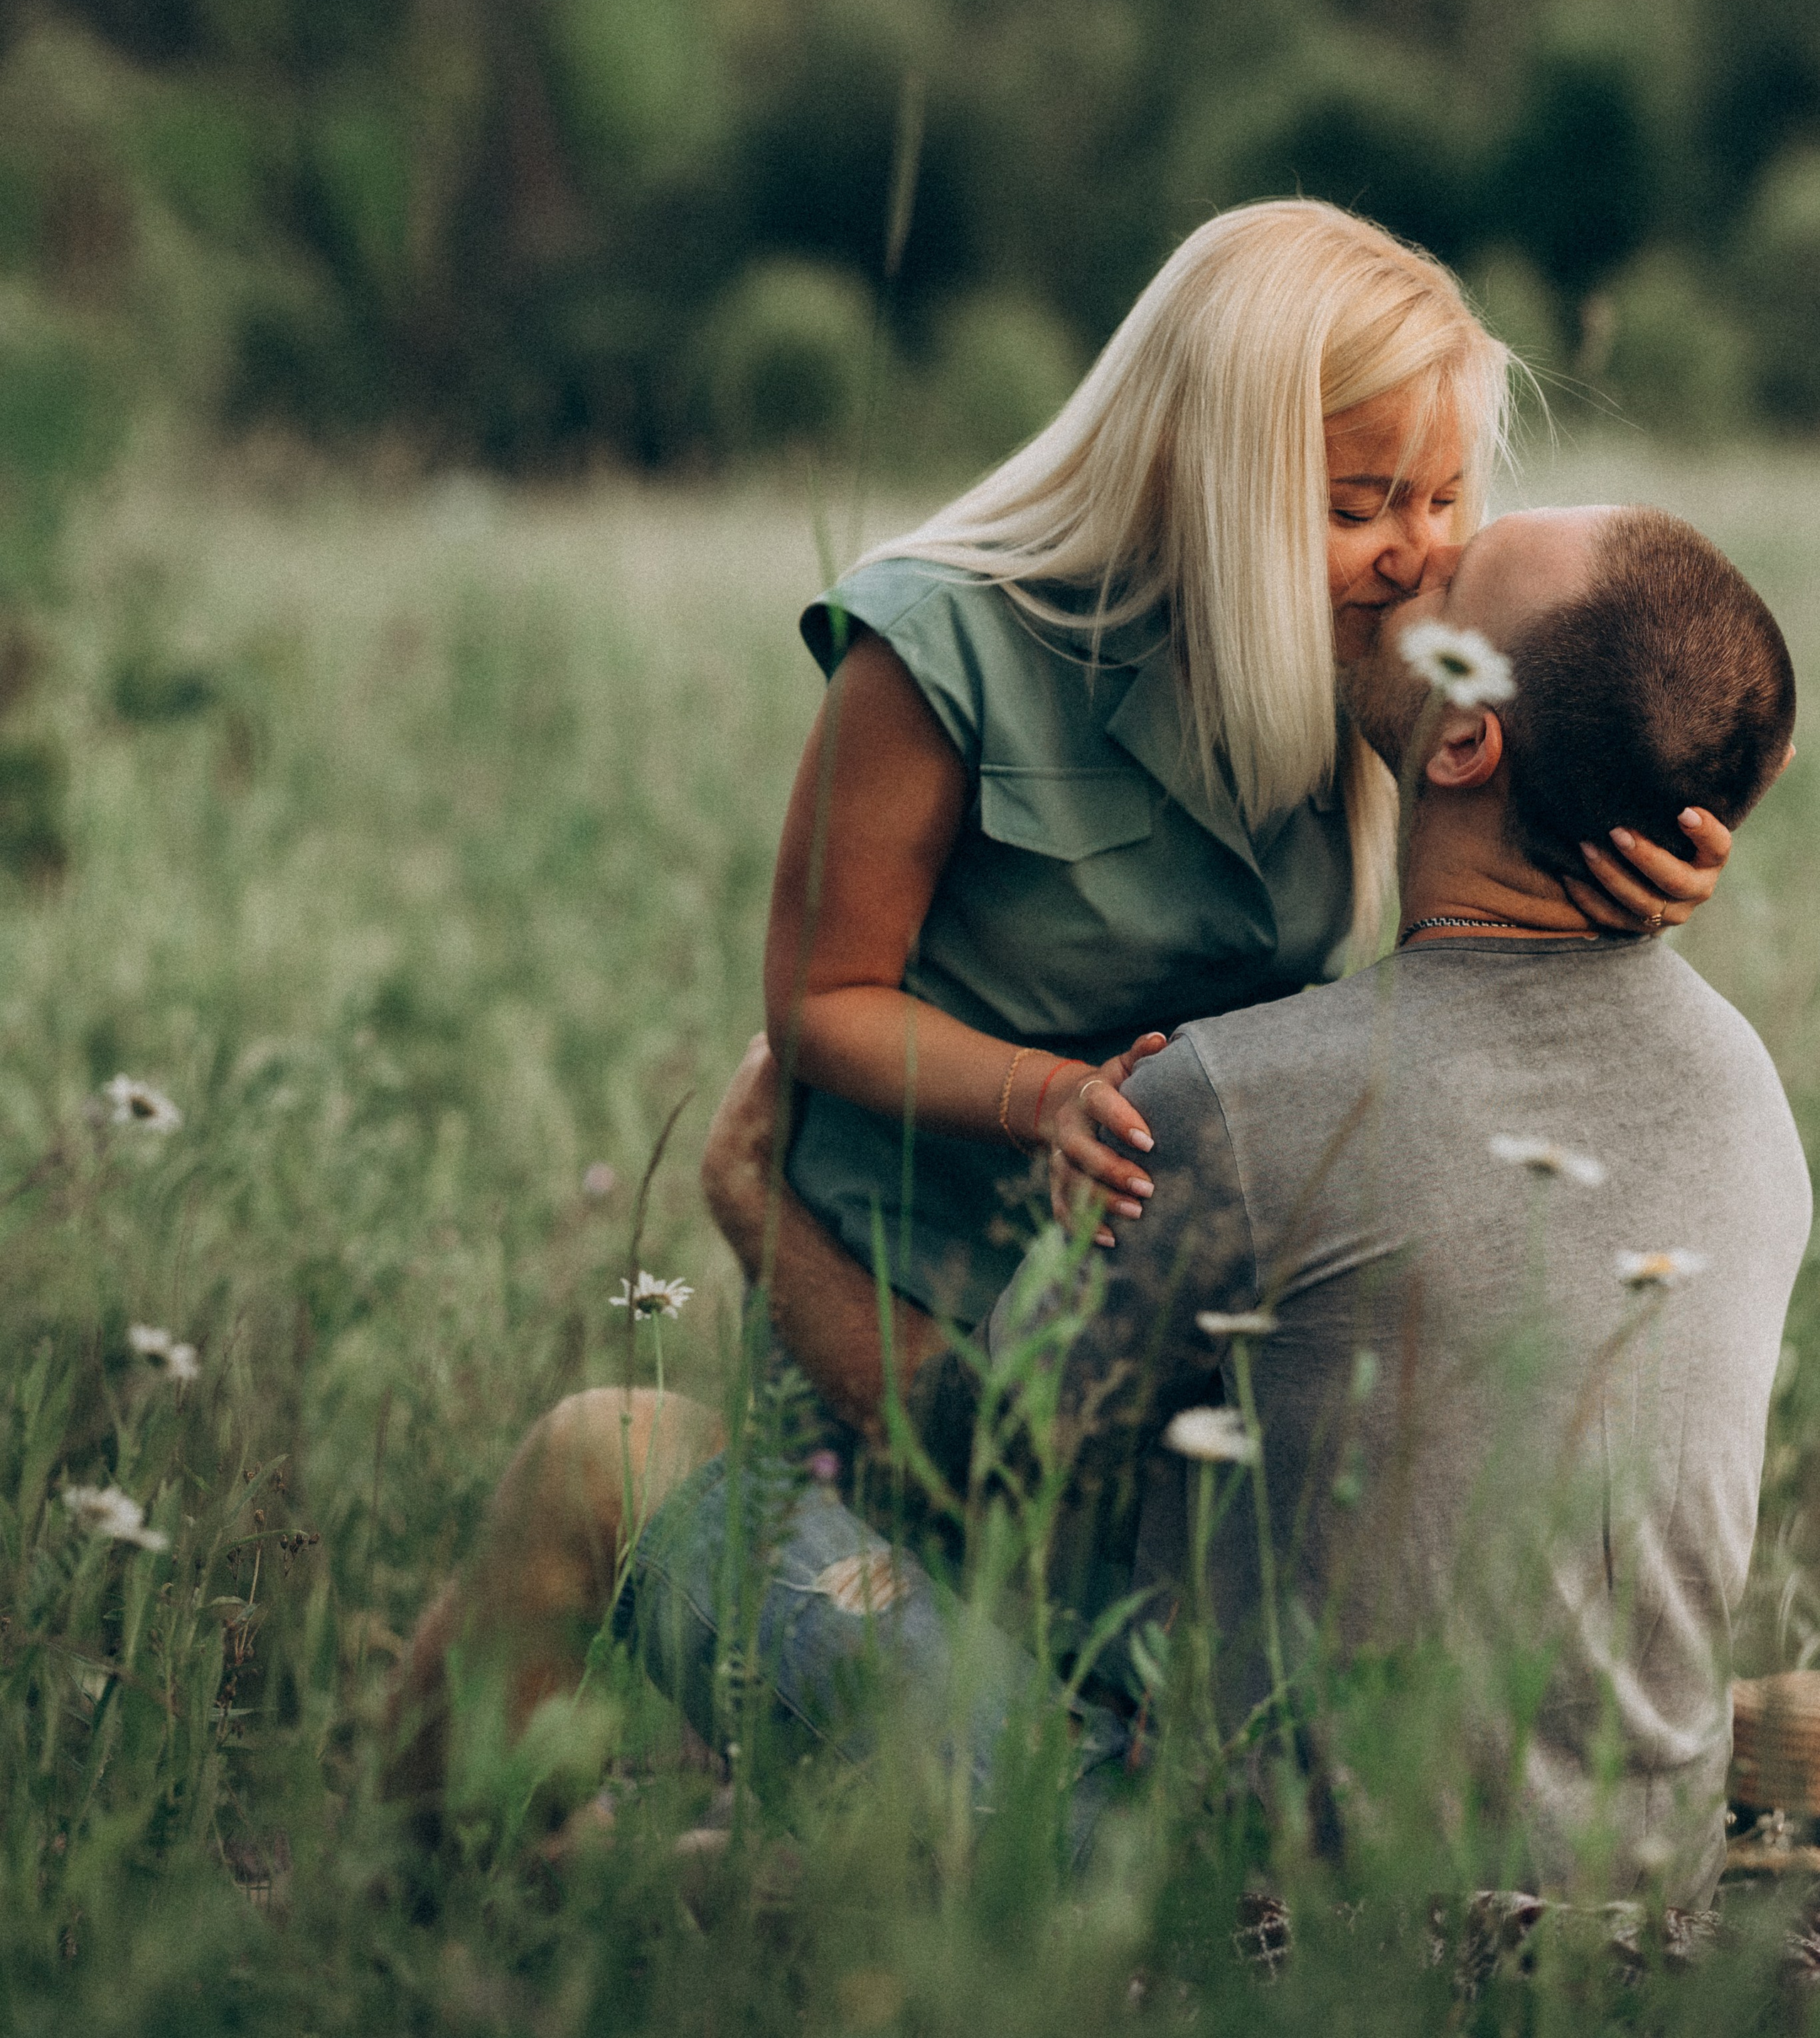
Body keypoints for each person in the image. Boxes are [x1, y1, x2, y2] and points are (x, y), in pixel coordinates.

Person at [392, 503, 1802, 1907]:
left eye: (1457, 572)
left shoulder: (1255, 1105)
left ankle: (386, 1899)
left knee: (603, 1457)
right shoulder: (1750, 1099)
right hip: (1618, 1902)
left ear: (1462, 740)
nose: (1417, 555)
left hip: (1250, 1925)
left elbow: (972, 1466)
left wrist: (756, 1207)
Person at [766, 200, 1726, 1336]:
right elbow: (820, 1002)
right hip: (913, 1291)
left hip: (1203, 1314)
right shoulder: (941, 649)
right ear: (1201, 476)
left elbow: (1502, 831)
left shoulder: (1376, 650)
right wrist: (1046, 1097)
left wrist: (1627, 857)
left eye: (1444, 498)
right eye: (1356, 507)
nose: (1418, 553)